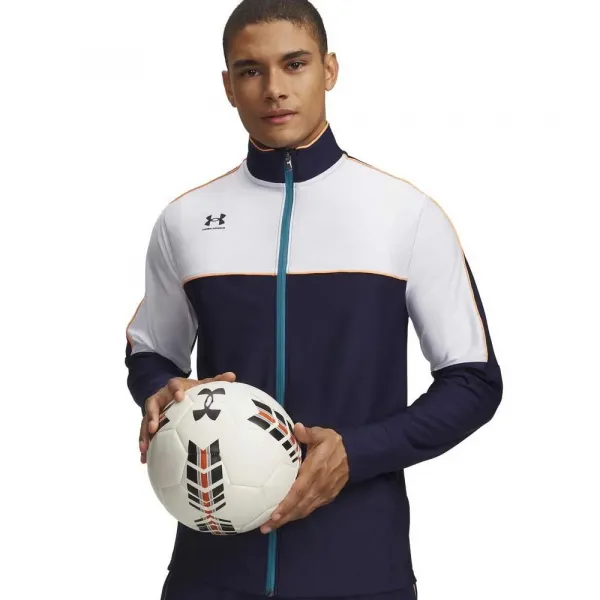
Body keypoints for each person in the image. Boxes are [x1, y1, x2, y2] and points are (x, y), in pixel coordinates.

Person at [125, 1, 503, 598]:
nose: (273, 88)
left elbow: (474, 381)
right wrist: (161, 391)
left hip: (360, 570)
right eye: (251, 70)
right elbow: (151, 352)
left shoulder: (406, 216)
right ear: (227, 86)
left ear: (329, 70)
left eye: (294, 64)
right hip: (210, 573)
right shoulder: (186, 221)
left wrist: (357, 452)